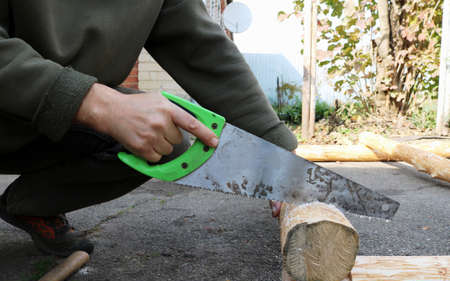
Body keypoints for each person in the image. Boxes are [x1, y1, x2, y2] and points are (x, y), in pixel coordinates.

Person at [0, 0, 297, 257]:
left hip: (50, 121)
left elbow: (202, 49)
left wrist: (276, 150)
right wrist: (95, 102)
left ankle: (29, 205)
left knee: (163, 140)